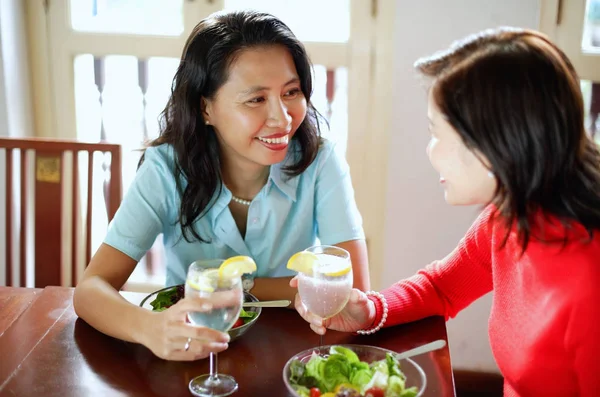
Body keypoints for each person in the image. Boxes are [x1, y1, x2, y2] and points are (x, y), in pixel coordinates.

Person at [292, 27, 600, 396]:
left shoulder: (588, 285)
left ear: (491, 146)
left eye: (436, 133)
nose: (430, 151)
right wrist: (369, 310)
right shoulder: (509, 218)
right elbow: (442, 287)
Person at [73, 10, 370, 361]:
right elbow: (90, 290)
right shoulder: (166, 168)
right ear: (206, 108)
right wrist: (149, 328)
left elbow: (350, 294)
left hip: (291, 353)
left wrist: (224, 288)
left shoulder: (320, 160)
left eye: (291, 92)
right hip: (190, 352)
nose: (282, 117)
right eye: (256, 99)